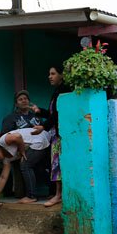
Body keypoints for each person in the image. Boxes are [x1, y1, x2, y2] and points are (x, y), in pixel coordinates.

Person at [33, 65, 70, 207]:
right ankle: (58, 194)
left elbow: (58, 115)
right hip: (56, 133)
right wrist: (39, 111)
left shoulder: (64, 91)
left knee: (58, 164)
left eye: (53, 73)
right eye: (49, 74)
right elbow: (52, 114)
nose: (50, 76)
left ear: (62, 75)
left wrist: (43, 126)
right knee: (56, 163)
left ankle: (59, 195)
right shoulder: (57, 92)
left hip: (61, 134)